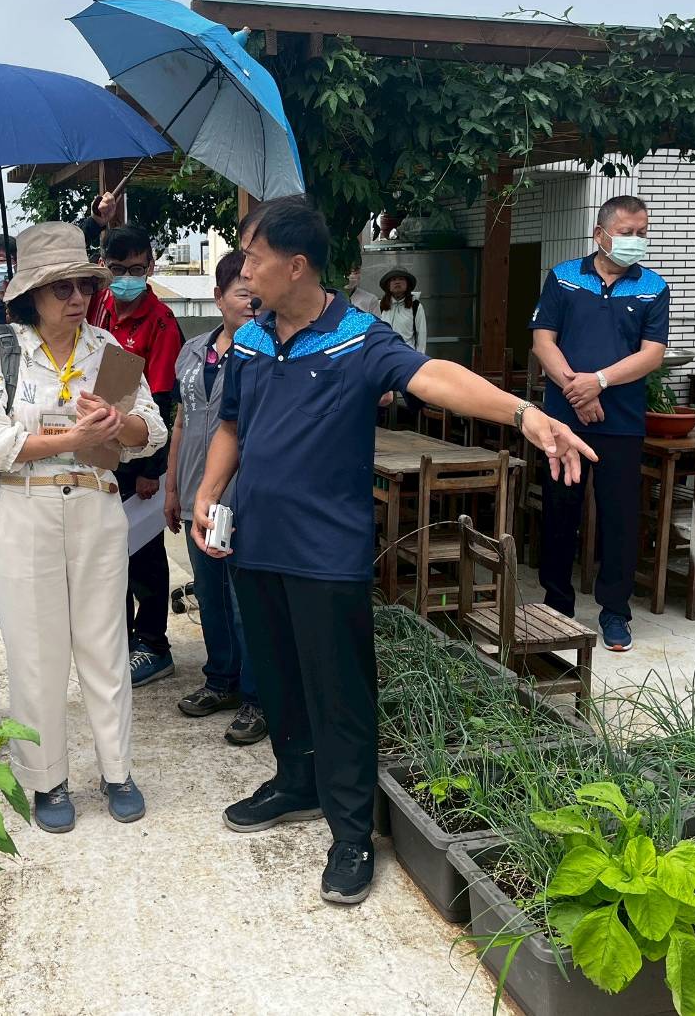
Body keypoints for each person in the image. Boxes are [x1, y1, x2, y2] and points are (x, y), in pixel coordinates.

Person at [192, 195, 594, 905]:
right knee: (278, 679)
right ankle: (294, 782)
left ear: (296, 265)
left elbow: (435, 378)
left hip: (324, 552)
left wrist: (526, 413)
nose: (243, 269)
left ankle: (351, 833)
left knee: (338, 693)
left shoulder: (359, 339)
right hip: (256, 541)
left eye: (253, 257)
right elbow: (232, 424)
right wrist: (208, 491)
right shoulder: (251, 339)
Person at [0, 222, 167, 832]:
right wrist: (70, 438)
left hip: (98, 506)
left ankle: (117, 770)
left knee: (105, 642)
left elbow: (150, 430)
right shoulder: (1, 350)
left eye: (82, 285)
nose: (76, 298)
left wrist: (116, 424)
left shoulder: (106, 349)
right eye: (60, 289)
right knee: (35, 650)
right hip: (24, 508)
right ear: (31, 295)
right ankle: (46, 780)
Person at [530, 195, 668, 653]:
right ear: (601, 234)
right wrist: (576, 390)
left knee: (620, 518)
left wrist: (600, 382)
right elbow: (543, 341)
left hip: (622, 424)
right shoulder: (564, 277)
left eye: (643, 232)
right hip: (561, 423)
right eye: (628, 232)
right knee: (559, 512)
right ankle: (556, 605)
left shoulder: (652, 287)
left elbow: (652, 353)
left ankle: (615, 613)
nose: (636, 241)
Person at [165, 250, 267, 746]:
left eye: (255, 294)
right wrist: (171, 487)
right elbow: (181, 420)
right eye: (241, 294)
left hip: (242, 495)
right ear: (219, 297)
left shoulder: (266, 351)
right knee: (209, 593)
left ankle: (256, 696)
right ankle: (220, 680)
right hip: (194, 494)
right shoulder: (192, 350)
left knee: (242, 597)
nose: (251, 302)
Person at [88, 225, 184, 687]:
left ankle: (153, 643)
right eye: (118, 268)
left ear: (150, 265)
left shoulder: (161, 322)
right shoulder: (98, 307)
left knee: (143, 551)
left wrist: (152, 470)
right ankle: (120, 641)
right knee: (110, 551)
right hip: (97, 451)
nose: (128, 276)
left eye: (138, 268)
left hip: (139, 455)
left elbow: (162, 401)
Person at [379, 269, 427, 353]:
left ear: (407, 284)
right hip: (385, 355)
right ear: (388, 285)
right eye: (393, 279)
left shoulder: (415, 306)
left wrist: (420, 359)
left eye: (401, 279)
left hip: (408, 355)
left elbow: (421, 335)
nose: (397, 282)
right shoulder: (379, 306)